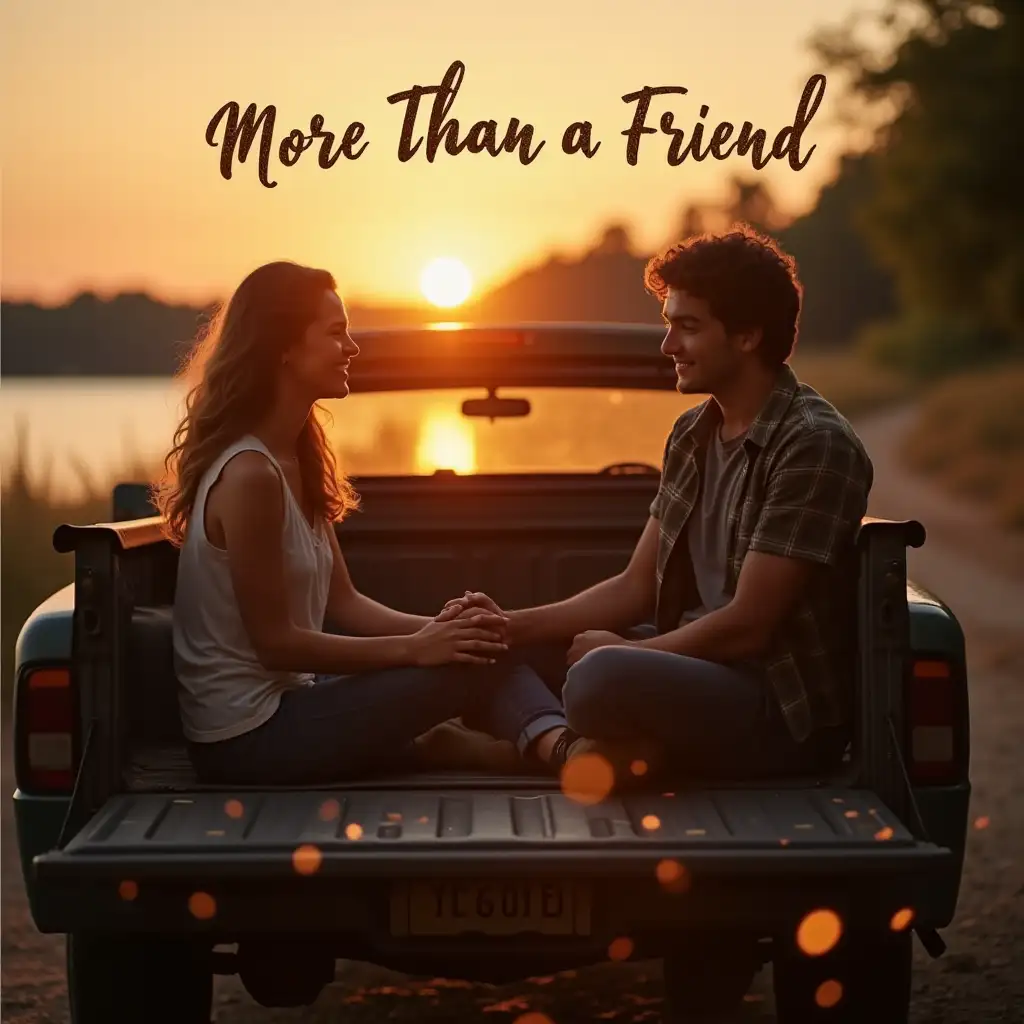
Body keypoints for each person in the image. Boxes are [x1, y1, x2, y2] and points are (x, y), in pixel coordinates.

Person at [448, 227, 874, 785]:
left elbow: (749, 627)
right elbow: (635, 587)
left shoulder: (814, 443)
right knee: (491, 656)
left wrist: (626, 653)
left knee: (599, 677)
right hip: (686, 671)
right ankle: (573, 750)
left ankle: (530, 745)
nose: (667, 345)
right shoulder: (694, 433)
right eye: (669, 323)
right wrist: (507, 626)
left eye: (687, 327)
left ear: (747, 336)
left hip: (772, 706)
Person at [155, 261, 569, 786]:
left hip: (295, 701)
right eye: (335, 333)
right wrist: (419, 649)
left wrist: (442, 631)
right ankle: (565, 751)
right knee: (472, 663)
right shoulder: (249, 473)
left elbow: (345, 604)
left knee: (479, 643)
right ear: (283, 346)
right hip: (247, 739)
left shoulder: (296, 458)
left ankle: (454, 742)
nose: (352, 347)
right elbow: (276, 644)